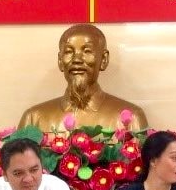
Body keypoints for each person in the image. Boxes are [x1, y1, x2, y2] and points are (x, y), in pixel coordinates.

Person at [18, 23, 148, 132]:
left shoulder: (131, 119)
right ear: (60, 61)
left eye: (87, 51)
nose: (77, 59)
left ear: (104, 59)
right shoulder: (33, 119)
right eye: (69, 51)